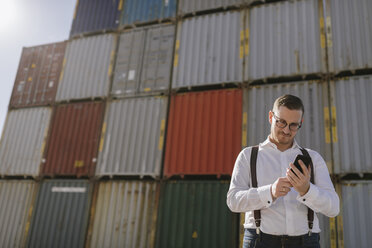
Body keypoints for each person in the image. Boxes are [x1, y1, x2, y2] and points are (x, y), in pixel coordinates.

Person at [226, 94, 339, 248]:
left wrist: (307, 190)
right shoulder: (248, 156)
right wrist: (270, 192)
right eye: (282, 122)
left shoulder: (313, 158)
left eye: (293, 125)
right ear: (271, 117)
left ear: (301, 123)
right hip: (259, 241)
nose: (287, 130)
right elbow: (233, 201)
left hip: (306, 242)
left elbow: (334, 208)